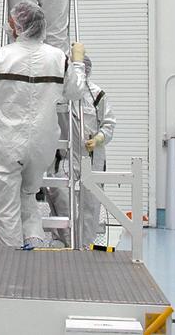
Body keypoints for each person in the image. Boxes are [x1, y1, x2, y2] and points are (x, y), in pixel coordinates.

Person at [0, 1, 85, 248]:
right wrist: (77, 62)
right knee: (28, 197)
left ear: (17, 27)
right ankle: (34, 248)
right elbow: (76, 91)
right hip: (42, 146)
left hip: (6, 144)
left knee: (5, 209)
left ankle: (10, 266)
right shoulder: (59, 58)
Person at [47, 75, 116, 248]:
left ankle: (85, 245)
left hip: (91, 156)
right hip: (64, 155)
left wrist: (99, 138)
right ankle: (66, 242)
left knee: (91, 203)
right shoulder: (57, 94)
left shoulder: (97, 95)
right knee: (60, 195)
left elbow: (108, 124)